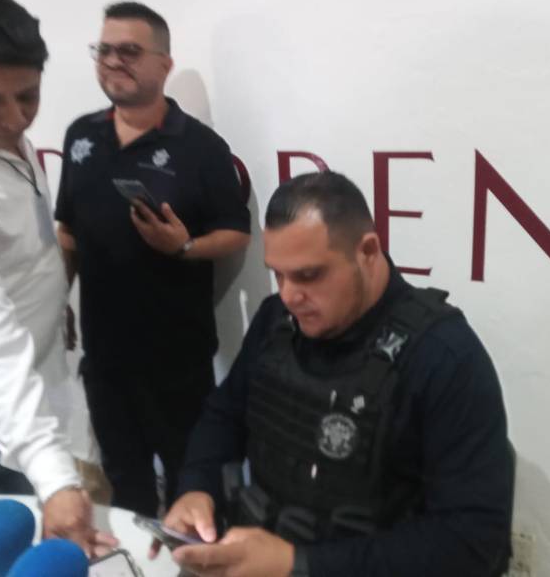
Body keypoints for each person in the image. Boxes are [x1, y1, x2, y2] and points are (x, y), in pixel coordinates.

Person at [158, 172, 514, 577]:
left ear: (368, 251)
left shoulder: (443, 357)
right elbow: (224, 414)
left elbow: (471, 542)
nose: (289, 296)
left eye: (308, 275)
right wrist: (197, 487)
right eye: (278, 274)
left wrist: (299, 564)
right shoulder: (277, 321)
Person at [0, 0, 115, 554]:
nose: (14, 119)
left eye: (28, 95)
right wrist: (53, 476)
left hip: (43, 385)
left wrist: (51, 296)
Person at [55, 1, 251, 517]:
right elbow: (68, 230)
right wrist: (58, 299)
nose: (112, 61)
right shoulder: (81, 135)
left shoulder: (202, 147)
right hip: (104, 359)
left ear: (164, 64)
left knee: (193, 488)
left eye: (128, 51)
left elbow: (236, 233)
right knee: (126, 488)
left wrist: (183, 247)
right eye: (104, 50)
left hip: (177, 363)